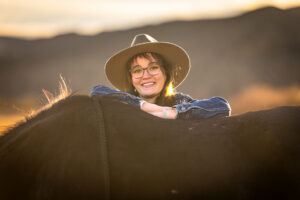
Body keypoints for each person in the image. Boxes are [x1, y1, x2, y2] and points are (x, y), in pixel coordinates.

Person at [91, 34, 231, 119]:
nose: (145, 76)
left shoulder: (180, 102)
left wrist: (173, 113)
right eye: (137, 70)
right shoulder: (122, 104)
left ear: (166, 73)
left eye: (153, 67)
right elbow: (97, 92)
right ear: (131, 78)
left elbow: (221, 106)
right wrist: (145, 107)